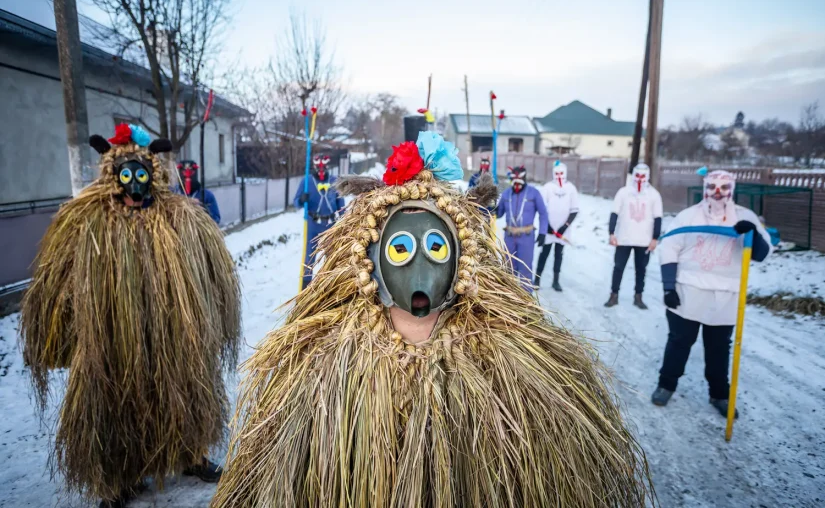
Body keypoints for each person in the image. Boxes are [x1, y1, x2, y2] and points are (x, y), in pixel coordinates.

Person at [211, 132, 653, 507]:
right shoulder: (327, 365)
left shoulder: (498, 362)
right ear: (371, 261)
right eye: (400, 251)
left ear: (462, 259)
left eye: (437, 249)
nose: (419, 274)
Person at [21, 124, 241, 508]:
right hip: (113, 339)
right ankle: (120, 477)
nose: (135, 184)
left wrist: (216, 320)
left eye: (141, 174)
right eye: (127, 175)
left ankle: (192, 455)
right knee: (116, 404)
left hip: (174, 332)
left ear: (152, 174)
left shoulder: (182, 217)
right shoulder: (89, 221)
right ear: (114, 176)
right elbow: (58, 278)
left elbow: (214, 272)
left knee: (184, 391)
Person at [651, 170, 771, 417]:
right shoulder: (688, 216)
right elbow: (669, 249)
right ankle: (666, 385)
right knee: (678, 342)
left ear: (732, 188)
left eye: (724, 187)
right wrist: (668, 287)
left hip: (725, 299)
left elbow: (760, 254)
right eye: (713, 186)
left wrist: (754, 234)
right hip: (687, 293)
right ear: (704, 188)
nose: (718, 192)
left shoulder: (745, 217)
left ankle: (719, 394)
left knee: (718, 349)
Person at [605, 163, 663, 309]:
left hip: (644, 240)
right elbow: (614, 213)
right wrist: (611, 233)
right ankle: (614, 295)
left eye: (643, 176)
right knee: (618, 267)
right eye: (637, 175)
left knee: (641, 269)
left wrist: (655, 238)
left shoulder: (654, 195)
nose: (640, 179)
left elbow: (658, 218)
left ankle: (638, 296)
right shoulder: (623, 192)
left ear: (648, 176)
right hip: (624, 238)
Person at [294, 154, 346, 290]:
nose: (321, 169)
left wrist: (345, 220)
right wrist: (302, 200)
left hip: (331, 224)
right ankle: (305, 288)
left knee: (332, 256)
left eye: (324, 167)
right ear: (315, 166)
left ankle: (331, 287)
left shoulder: (335, 181)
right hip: (313, 224)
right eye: (319, 166)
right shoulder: (307, 181)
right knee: (309, 258)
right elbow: (296, 202)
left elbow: (341, 204)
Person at [496, 165, 548, 292]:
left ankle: (526, 301)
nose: (517, 181)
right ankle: (509, 297)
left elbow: (543, 213)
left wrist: (543, 232)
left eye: (520, 178)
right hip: (509, 237)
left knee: (525, 269)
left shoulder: (533, 193)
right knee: (508, 268)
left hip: (526, 237)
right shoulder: (506, 193)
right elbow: (499, 213)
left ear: (524, 178)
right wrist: (490, 206)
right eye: (514, 178)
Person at [535, 160, 579, 291]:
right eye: (557, 173)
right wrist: (546, 226)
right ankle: (537, 279)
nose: (559, 175)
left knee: (559, 255)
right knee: (544, 253)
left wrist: (564, 227)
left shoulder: (571, 188)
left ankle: (556, 281)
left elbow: (574, 210)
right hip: (549, 229)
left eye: (561, 173)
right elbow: (542, 208)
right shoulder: (548, 187)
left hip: (562, 231)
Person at [174, 159, 221, 224]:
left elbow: (216, 219)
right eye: (184, 172)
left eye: (191, 172)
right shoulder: (173, 193)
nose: (187, 177)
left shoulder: (207, 195)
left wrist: (204, 210)